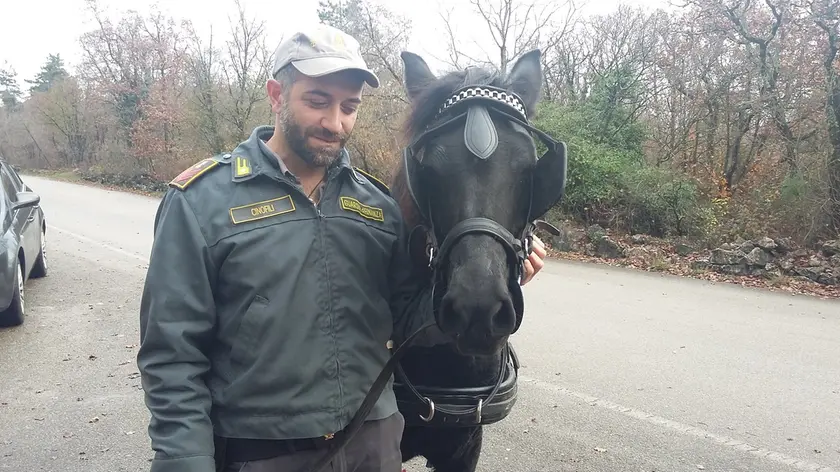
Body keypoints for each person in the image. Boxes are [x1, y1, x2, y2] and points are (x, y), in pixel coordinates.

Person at [136, 23, 547, 472]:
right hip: (262, 450)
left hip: (373, 445)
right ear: (277, 94)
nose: (335, 123)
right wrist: (185, 461)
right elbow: (172, 354)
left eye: (348, 107)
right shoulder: (200, 202)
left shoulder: (378, 206)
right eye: (317, 101)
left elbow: (409, 317)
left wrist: (489, 281)